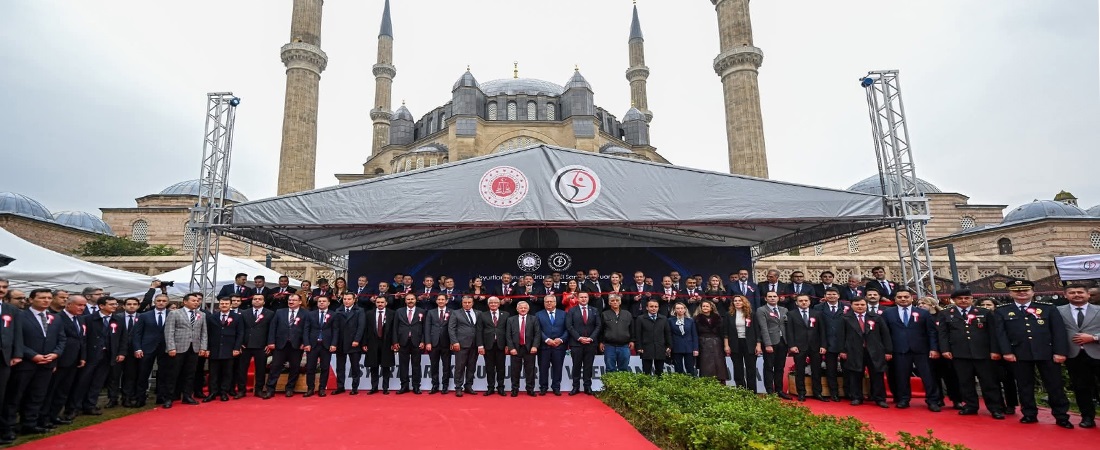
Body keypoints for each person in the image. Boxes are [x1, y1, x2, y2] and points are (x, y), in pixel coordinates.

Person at [992, 279, 1072, 428]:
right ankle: (1029, 414)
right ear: (1010, 293)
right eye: (1017, 291)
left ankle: (1061, 415)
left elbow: (1058, 332)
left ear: (1032, 292)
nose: (1021, 293)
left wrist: (1060, 352)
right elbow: (1001, 334)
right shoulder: (1002, 311)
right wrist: (1006, 352)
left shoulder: (1048, 309)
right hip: (1019, 353)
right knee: (1024, 386)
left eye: (1025, 290)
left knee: (1055, 385)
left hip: (1047, 353)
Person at [936, 289, 1005, 419]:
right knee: (965, 382)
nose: (963, 300)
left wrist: (995, 350)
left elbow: (993, 334)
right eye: (960, 298)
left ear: (971, 299)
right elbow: (943, 334)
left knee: (989, 382)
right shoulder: (945, 314)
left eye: (966, 298)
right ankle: (971, 406)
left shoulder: (984, 312)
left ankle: (995, 408)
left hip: (983, 353)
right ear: (953, 300)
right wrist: (945, 349)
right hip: (959, 354)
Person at [2, 289, 59, 439]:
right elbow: (17, 338)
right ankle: (9, 427)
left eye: (48, 298)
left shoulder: (54, 317)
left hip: (47, 363)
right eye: (42, 298)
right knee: (15, 396)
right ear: (31, 299)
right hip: (25, 364)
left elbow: (61, 338)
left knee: (37, 395)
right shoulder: (20, 315)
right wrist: (33, 355)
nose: (46, 300)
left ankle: (30, 423)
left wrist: (55, 354)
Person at [882, 288, 942, 411]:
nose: (903, 299)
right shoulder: (888, 313)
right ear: (895, 299)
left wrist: (934, 348)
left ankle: (932, 400)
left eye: (906, 297)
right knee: (901, 376)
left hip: (922, 350)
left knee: (928, 376)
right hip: (899, 350)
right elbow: (885, 334)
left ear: (911, 298)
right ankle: (904, 399)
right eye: (900, 297)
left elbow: (931, 332)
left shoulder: (923, 313)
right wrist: (887, 350)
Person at [70, 296, 124, 415]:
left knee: (97, 382)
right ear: (101, 306)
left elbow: (122, 338)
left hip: (107, 356)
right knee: (82, 382)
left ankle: (90, 405)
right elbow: (83, 339)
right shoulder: (88, 319)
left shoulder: (118, 319)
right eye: (111, 304)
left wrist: (121, 353)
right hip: (90, 355)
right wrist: (83, 356)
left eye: (115, 304)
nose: (115, 306)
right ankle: (75, 407)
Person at [1058, 283, 1100, 428]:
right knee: (1081, 388)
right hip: (1074, 355)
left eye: (1080, 292)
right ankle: (1087, 417)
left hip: (1097, 352)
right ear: (1065, 295)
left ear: (1088, 294)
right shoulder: (1058, 311)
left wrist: (1093, 337)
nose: (1076, 295)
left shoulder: (1098, 310)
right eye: (1072, 292)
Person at [839, 297, 892, 408]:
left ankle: (879, 398)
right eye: (857, 304)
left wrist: (888, 351)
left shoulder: (876, 317)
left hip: (874, 351)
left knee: (877, 374)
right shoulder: (845, 318)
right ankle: (857, 397)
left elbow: (885, 335)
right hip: (854, 351)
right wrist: (842, 350)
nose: (860, 306)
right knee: (855, 375)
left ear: (866, 305)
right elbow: (840, 336)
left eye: (862, 304)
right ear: (852, 305)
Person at [41, 295, 84, 427]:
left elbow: (82, 339)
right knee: (51, 390)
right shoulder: (57, 318)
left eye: (83, 305)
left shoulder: (80, 319)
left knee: (63, 390)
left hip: (73, 360)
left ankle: (55, 415)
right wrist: (54, 360)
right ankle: (44, 417)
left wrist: (82, 356)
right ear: (68, 304)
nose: (82, 308)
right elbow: (54, 339)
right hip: (60, 360)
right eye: (79, 305)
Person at [161, 293, 208, 408]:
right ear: (185, 302)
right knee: (173, 374)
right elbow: (169, 331)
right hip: (178, 348)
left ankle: (187, 396)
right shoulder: (174, 313)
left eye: (197, 301)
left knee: (190, 374)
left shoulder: (201, 315)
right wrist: (171, 347)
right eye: (193, 300)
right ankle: (169, 398)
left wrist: (203, 347)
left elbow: (204, 332)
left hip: (194, 348)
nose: (196, 302)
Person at [262, 294, 311, 399]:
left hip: (296, 345)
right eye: (290, 300)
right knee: (275, 367)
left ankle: (289, 388)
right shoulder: (280, 312)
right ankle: (270, 389)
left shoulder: (306, 314)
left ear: (300, 302)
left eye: (294, 300)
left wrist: (305, 343)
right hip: (280, 344)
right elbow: (273, 327)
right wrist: (271, 342)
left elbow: (307, 330)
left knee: (295, 368)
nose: (291, 302)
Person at [785, 294, 825, 402]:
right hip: (799, 346)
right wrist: (792, 345)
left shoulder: (817, 314)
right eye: (801, 300)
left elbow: (822, 331)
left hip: (815, 346)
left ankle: (818, 392)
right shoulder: (791, 314)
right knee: (800, 371)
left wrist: (823, 345)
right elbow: (789, 331)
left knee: (816, 370)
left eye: (805, 300)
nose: (803, 302)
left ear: (810, 302)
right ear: (796, 302)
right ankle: (801, 393)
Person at [132, 293, 168, 406]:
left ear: (167, 302)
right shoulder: (144, 315)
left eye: (163, 301)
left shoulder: (172, 315)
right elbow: (137, 334)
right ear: (154, 302)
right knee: (143, 373)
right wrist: (137, 348)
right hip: (146, 348)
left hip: (165, 348)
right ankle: (140, 398)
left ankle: (161, 397)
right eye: (158, 300)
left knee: (163, 373)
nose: (161, 303)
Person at [204, 297, 243, 402]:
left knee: (227, 372)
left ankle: (224, 392)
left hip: (229, 349)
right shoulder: (212, 317)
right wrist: (207, 348)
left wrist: (236, 348)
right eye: (222, 303)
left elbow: (240, 334)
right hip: (214, 349)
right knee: (213, 373)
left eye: (226, 303)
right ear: (219, 305)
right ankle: (212, 392)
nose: (224, 305)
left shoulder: (237, 317)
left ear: (230, 305)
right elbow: (207, 334)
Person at [813, 287, 849, 401]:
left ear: (838, 296)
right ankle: (834, 393)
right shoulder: (818, 308)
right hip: (827, 343)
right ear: (825, 296)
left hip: (845, 343)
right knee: (831, 370)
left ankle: (849, 392)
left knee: (847, 369)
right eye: (829, 294)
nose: (831, 296)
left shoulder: (846, 307)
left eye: (834, 294)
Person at [238, 294, 273, 398]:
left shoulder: (270, 313)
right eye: (255, 299)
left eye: (260, 299)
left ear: (264, 302)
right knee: (242, 369)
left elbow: (271, 330)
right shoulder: (244, 313)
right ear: (252, 301)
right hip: (246, 345)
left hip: (261, 345)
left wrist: (269, 343)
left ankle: (258, 389)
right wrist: (239, 343)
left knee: (261, 369)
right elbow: (240, 329)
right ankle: (241, 390)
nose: (257, 301)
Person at [566, 292, 601, 395]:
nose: (583, 299)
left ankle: (587, 387)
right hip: (576, 343)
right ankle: (575, 387)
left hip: (591, 343)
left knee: (588, 366)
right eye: (581, 297)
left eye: (585, 297)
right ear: (577, 298)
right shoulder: (572, 311)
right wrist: (579, 338)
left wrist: (591, 338)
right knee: (576, 366)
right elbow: (569, 326)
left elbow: (598, 326)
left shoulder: (594, 310)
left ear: (588, 298)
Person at [756, 291, 789, 398]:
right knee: (769, 367)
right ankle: (770, 391)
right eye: (769, 297)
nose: (772, 298)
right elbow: (763, 328)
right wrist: (767, 344)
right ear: (766, 299)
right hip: (770, 341)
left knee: (780, 367)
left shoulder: (784, 310)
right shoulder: (761, 310)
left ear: (778, 298)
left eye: (774, 296)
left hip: (783, 342)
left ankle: (779, 390)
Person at [725, 295, 759, 392]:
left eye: (740, 300)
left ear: (744, 302)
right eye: (735, 301)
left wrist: (758, 345)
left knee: (751, 369)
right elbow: (725, 332)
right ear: (733, 303)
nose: (737, 302)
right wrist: (726, 345)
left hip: (750, 343)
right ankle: (741, 391)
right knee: (738, 369)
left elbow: (757, 331)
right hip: (735, 343)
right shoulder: (729, 315)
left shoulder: (751, 314)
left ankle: (752, 392)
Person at [304, 296, 337, 397]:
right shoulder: (310, 314)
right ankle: (310, 388)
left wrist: (333, 344)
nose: (321, 303)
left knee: (325, 368)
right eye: (319, 301)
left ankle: (322, 388)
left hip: (326, 345)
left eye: (324, 301)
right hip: (312, 345)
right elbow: (306, 330)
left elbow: (336, 330)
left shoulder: (333, 314)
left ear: (328, 303)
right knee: (310, 368)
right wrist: (306, 343)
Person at [333, 293, 365, 395]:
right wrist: (334, 342)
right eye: (345, 299)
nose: (346, 301)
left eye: (349, 299)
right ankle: (340, 386)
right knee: (340, 367)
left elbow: (361, 327)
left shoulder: (359, 310)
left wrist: (357, 340)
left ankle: (354, 387)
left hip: (354, 343)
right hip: (341, 342)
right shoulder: (338, 310)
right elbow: (335, 328)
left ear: (354, 300)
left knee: (355, 367)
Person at [393, 294, 425, 395]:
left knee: (416, 365)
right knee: (403, 365)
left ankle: (416, 386)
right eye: (408, 299)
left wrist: (423, 341)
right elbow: (395, 327)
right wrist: (395, 341)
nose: (410, 301)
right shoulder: (399, 311)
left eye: (412, 299)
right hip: (403, 341)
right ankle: (404, 386)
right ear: (405, 300)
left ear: (416, 300)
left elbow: (425, 328)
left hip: (417, 341)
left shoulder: (422, 311)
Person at [506, 301, 540, 397]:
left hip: (529, 349)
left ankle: (530, 389)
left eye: (525, 308)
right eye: (521, 308)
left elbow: (537, 334)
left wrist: (535, 346)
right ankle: (515, 389)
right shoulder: (511, 320)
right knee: (515, 370)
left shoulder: (534, 319)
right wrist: (511, 348)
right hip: (515, 349)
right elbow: (508, 335)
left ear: (528, 309)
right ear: (517, 309)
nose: (523, 309)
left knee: (530, 370)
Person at [536, 295, 568, 395]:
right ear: (544, 303)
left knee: (558, 367)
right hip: (544, 346)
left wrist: (561, 339)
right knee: (543, 368)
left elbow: (568, 329)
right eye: (547, 302)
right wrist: (547, 339)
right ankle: (543, 387)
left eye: (551, 301)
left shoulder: (564, 314)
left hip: (559, 346)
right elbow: (537, 330)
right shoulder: (538, 314)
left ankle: (556, 387)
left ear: (555, 303)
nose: (549, 303)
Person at [112, 297, 141, 408]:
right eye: (129, 304)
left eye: (134, 304)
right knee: (114, 376)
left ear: (138, 306)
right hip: (118, 351)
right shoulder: (116, 317)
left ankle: (127, 397)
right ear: (124, 306)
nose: (132, 306)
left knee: (130, 375)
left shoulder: (141, 317)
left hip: (134, 351)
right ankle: (113, 398)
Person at [477, 297, 509, 396]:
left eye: (496, 303)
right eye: (491, 303)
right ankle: (490, 387)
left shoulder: (506, 314)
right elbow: (479, 331)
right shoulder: (482, 315)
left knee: (501, 368)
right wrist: (480, 346)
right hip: (488, 345)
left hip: (501, 345)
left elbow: (508, 331)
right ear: (488, 304)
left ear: (499, 304)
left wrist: (508, 345)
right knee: (489, 368)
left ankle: (501, 387)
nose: (493, 304)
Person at [364, 296, 395, 394]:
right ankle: (374, 387)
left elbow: (394, 330)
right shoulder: (369, 314)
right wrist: (364, 343)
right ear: (375, 303)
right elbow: (365, 329)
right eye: (378, 302)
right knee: (373, 366)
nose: (380, 304)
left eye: (382, 302)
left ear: (386, 303)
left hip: (387, 343)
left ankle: (385, 388)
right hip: (372, 342)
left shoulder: (392, 313)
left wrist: (394, 343)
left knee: (386, 366)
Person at [448, 296, 479, 396]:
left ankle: (468, 386)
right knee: (459, 367)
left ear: (472, 303)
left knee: (471, 367)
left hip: (475, 344)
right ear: (462, 303)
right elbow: (451, 329)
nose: (467, 304)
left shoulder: (479, 313)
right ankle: (458, 387)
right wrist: (454, 342)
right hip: (460, 344)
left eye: (469, 302)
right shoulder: (456, 313)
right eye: (465, 302)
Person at [634, 300, 672, 376]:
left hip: (660, 348)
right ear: (647, 308)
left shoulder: (663, 318)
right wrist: (639, 347)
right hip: (646, 348)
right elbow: (638, 334)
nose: (653, 308)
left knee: (659, 372)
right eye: (651, 306)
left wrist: (669, 346)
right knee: (646, 372)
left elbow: (667, 333)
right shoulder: (641, 318)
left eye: (656, 306)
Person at [424, 294, 452, 394]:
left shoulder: (451, 312)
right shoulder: (430, 312)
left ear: (446, 301)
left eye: (442, 299)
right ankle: (435, 385)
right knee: (434, 366)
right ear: (436, 301)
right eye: (439, 299)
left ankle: (445, 386)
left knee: (446, 366)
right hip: (433, 343)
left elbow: (453, 328)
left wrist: (452, 342)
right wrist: (428, 342)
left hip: (447, 343)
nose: (440, 301)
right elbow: (427, 328)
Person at [600, 294, 633, 373]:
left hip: (624, 346)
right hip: (609, 346)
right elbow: (601, 329)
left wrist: (632, 340)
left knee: (624, 369)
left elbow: (632, 328)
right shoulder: (604, 314)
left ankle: (623, 385)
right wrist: (601, 342)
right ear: (609, 303)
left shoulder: (627, 314)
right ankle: (610, 386)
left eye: (617, 300)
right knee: (610, 369)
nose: (615, 302)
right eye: (612, 301)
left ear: (620, 302)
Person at [695, 300, 726, 383]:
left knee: (719, 366)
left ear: (711, 307)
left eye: (707, 306)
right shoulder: (697, 319)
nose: (705, 308)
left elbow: (722, 332)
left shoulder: (718, 318)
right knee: (706, 367)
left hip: (717, 344)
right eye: (703, 306)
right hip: (703, 344)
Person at [669, 302, 698, 376]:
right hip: (676, 347)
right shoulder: (670, 321)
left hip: (689, 347)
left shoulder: (690, 320)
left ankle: (691, 385)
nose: (680, 310)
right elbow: (669, 335)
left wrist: (695, 349)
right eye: (678, 308)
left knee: (690, 368)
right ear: (674, 310)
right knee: (678, 369)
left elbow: (694, 335)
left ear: (685, 310)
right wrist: (669, 347)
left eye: (682, 308)